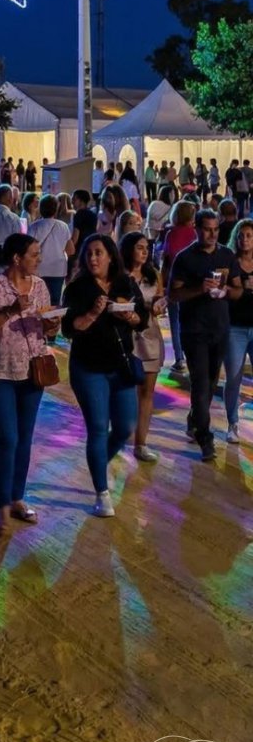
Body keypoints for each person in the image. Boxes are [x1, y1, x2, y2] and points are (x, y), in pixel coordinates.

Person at [0, 233, 59, 536]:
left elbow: (45, 329)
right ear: (16, 258)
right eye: (34, 254)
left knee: (24, 438)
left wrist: (51, 324)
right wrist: (9, 310)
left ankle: (17, 498)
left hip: (32, 372)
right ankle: (1, 507)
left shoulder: (41, 286)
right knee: (7, 438)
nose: (39, 259)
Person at [62, 234, 148, 517]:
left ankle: (100, 461)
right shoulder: (77, 288)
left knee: (125, 426)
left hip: (120, 367)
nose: (93, 258)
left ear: (111, 256)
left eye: (98, 253)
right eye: (89, 254)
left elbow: (142, 318)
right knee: (98, 427)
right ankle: (101, 492)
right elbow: (68, 328)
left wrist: (131, 317)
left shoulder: (125, 283)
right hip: (88, 368)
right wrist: (91, 314)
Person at [168, 208, 242, 460]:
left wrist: (226, 292)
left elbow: (238, 289)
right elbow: (173, 294)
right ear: (197, 229)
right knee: (200, 383)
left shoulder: (227, 255)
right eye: (207, 229)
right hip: (194, 330)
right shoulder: (185, 258)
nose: (212, 234)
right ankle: (205, 438)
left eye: (215, 229)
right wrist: (199, 289)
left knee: (210, 382)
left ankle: (195, 418)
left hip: (220, 328)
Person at [120, 231, 167, 461]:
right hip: (124, 337)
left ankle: (141, 443)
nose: (144, 251)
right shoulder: (119, 275)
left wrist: (159, 305)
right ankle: (118, 433)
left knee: (147, 392)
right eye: (139, 247)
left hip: (149, 336)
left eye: (146, 248)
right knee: (122, 390)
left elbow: (160, 298)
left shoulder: (153, 274)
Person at [222, 219, 253, 444]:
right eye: (241, 235)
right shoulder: (230, 261)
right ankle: (232, 422)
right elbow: (222, 289)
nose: (245, 240)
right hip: (235, 327)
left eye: (249, 235)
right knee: (233, 377)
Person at [160, 199, 197, 372]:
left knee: (175, 322)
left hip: (173, 283)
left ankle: (179, 358)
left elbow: (166, 260)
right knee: (191, 321)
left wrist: (162, 283)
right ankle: (192, 356)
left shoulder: (171, 234)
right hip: (191, 285)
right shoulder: (195, 234)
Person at [28, 194, 74, 309]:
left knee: (37, 301)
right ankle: (53, 320)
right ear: (56, 208)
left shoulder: (34, 226)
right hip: (57, 270)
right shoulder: (63, 226)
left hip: (38, 269)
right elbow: (71, 250)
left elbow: (28, 248)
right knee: (54, 302)